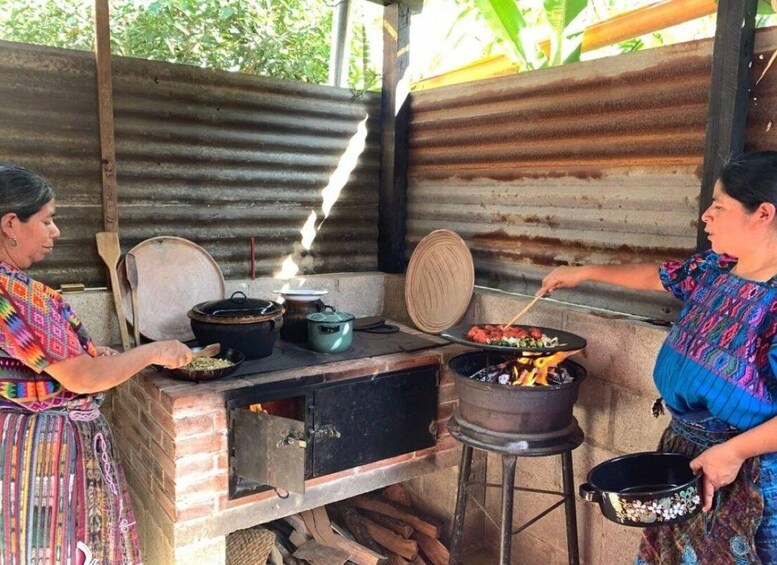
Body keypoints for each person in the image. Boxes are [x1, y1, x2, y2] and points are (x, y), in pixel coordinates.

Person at [539, 151, 777, 564]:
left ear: (763, 214)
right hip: (683, 458)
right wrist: (583, 272)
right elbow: (656, 275)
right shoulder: (716, 269)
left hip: (746, 474)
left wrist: (734, 453)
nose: (706, 216)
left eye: (719, 207)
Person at [0, 165, 195, 564]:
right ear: (10, 224)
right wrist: (154, 352)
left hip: (20, 444)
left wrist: (97, 353)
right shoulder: (13, 292)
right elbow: (81, 378)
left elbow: (45, 360)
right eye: (47, 220)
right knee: (60, 547)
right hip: (45, 452)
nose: (56, 231)